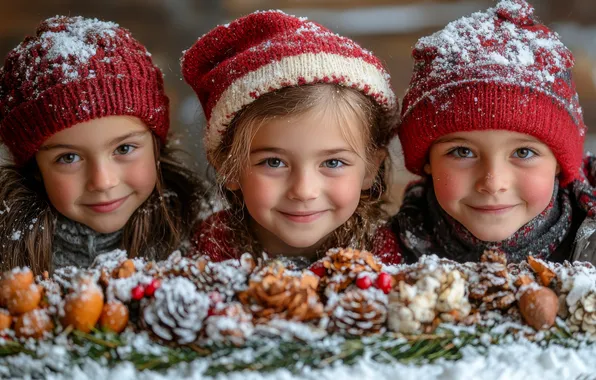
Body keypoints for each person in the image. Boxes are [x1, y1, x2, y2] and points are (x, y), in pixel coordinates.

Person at [181, 10, 402, 265]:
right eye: (274, 162)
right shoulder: (202, 257)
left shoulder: (386, 260)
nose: (304, 191)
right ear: (227, 167)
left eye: (333, 163)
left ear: (370, 168)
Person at [392, 0, 596, 264]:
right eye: (462, 151)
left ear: (559, 162)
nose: (492, 182)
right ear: (428, 161)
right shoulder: (389, 255)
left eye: (523, 152)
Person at [0, 16, 206, 272]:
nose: (103, 181)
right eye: (69, 158)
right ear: (35, 169)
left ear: (156, 145)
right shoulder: (8, 256)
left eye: (124, 148)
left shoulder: (200, 236)